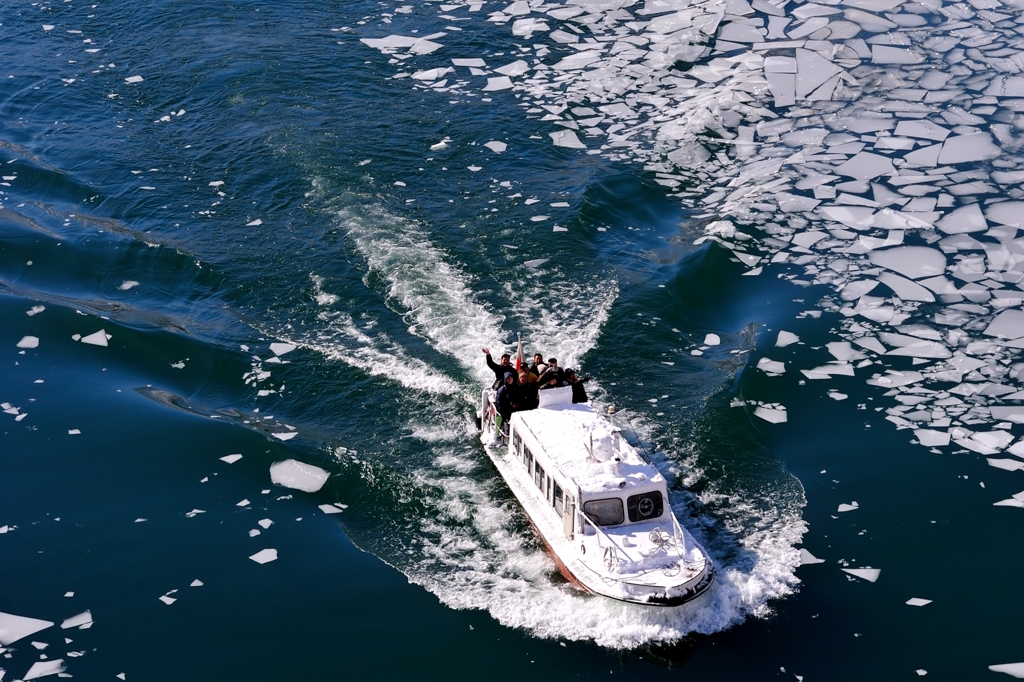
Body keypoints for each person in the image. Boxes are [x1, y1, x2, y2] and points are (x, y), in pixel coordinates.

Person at [495, 371, 517, 436]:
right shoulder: (501, 390)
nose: (510, 380)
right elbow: (499, 403)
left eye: (511, 379)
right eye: (508, 379)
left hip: (512, 409)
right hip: (504, 410)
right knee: (504, 420)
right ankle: (500, 434)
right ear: (505, 380)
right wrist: (503, 412)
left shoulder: (515, 387)